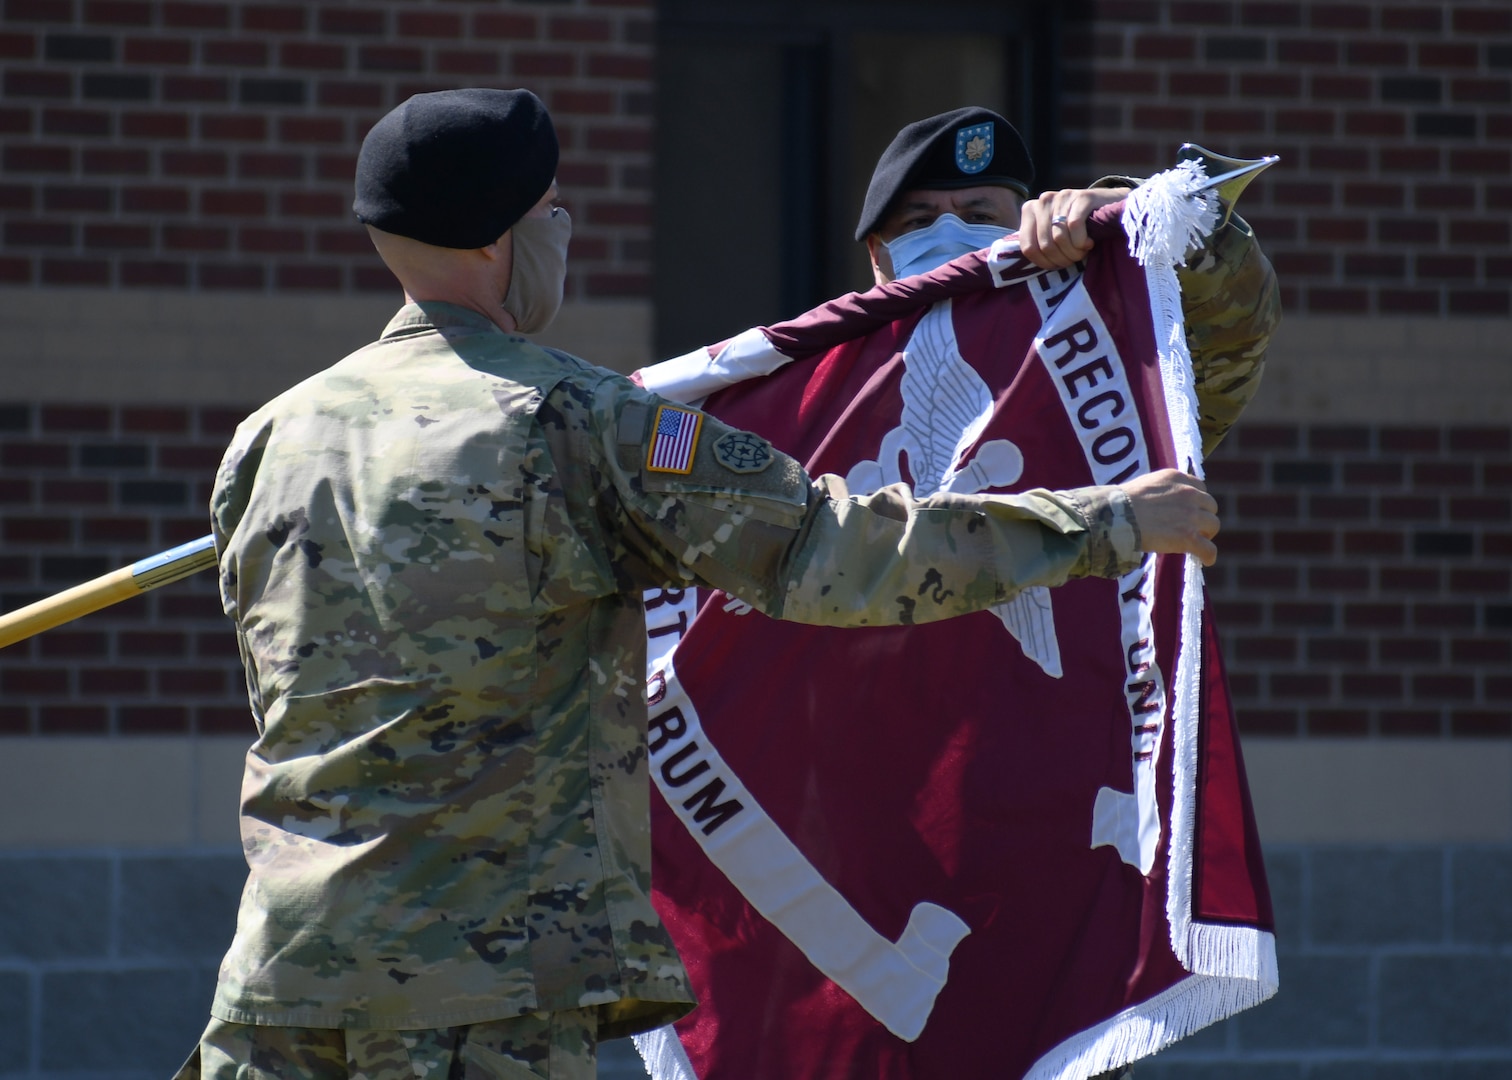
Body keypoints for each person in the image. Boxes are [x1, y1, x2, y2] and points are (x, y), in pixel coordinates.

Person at [177, 88, 1223, 1080]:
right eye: (553, 213)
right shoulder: (585, 423)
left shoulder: (269, 439)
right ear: (503, 239)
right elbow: (837, 553)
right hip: (474, 990)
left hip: (283, 974)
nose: (564, 232)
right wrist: (1106, 521)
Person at [856, 106, 1279, 456]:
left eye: (979, 218)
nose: (951, 235)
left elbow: (1238, 322)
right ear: (879, 255)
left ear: (1022, 233)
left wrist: (1133, 212)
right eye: (921, 221)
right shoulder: (833, 388)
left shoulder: (1096, 372)